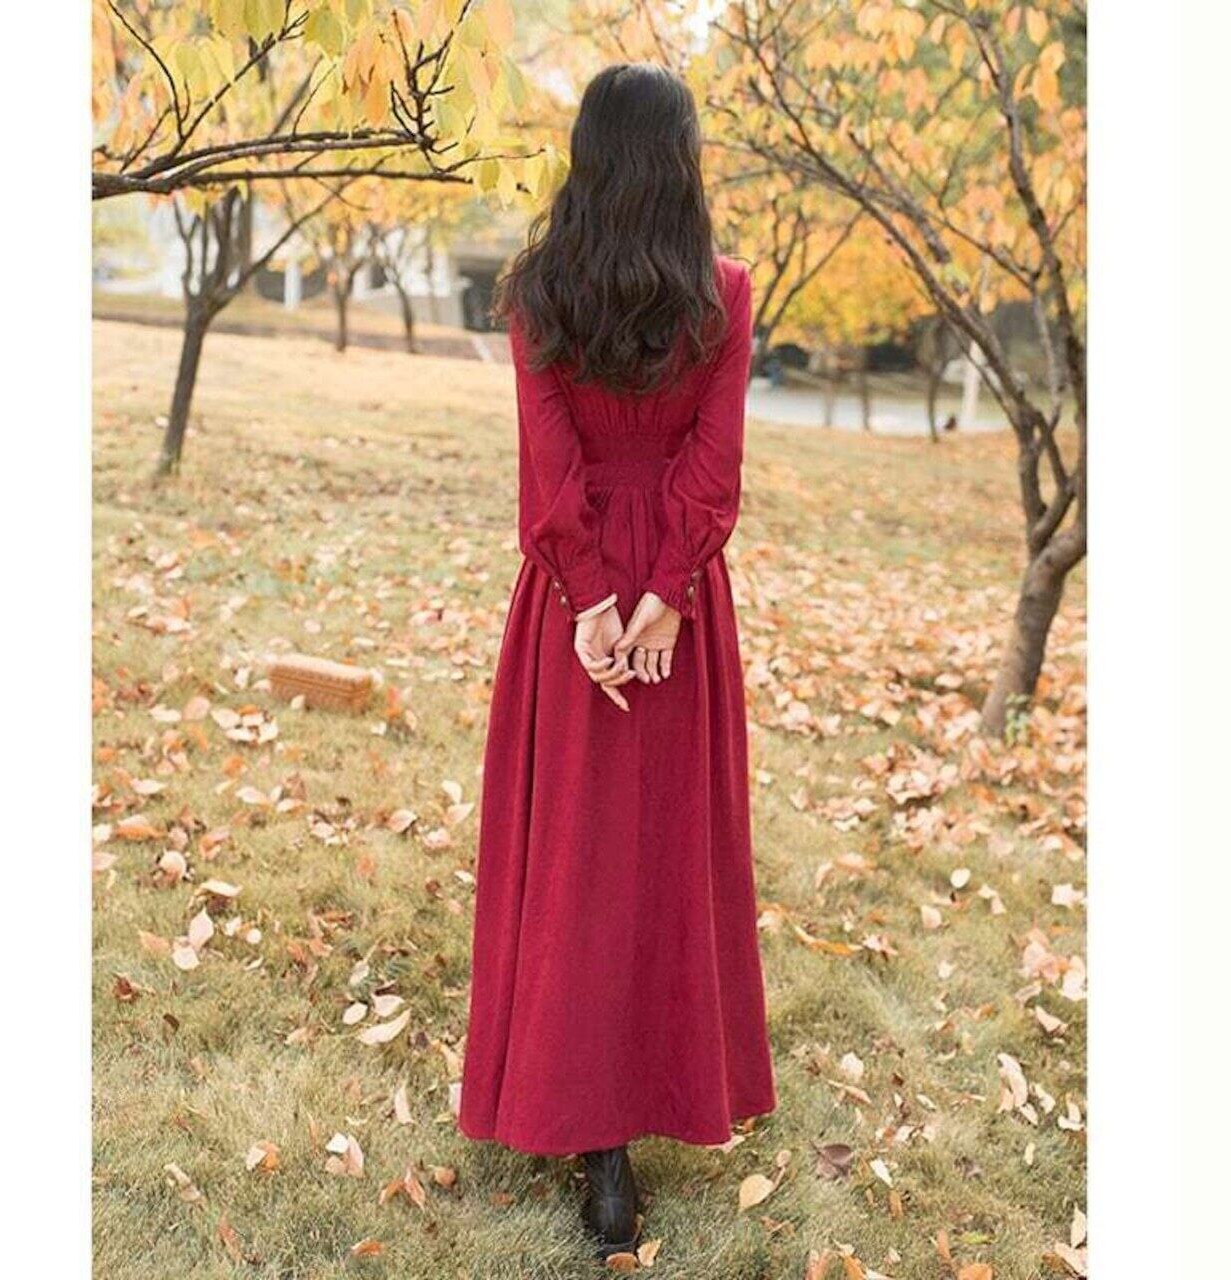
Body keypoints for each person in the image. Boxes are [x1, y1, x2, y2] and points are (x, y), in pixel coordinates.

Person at [458, 62, 776, 1259]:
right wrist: (663, 595)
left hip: (575, 603)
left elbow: (548, 464)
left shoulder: (539, 290)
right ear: (680, 162)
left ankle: (593, 1143)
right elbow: (713, 462)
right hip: (669, 605)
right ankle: (647, 1100)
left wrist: (591, 599)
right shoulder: (723, 292)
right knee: (665, 851)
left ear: (586, 160)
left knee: (577, 851)